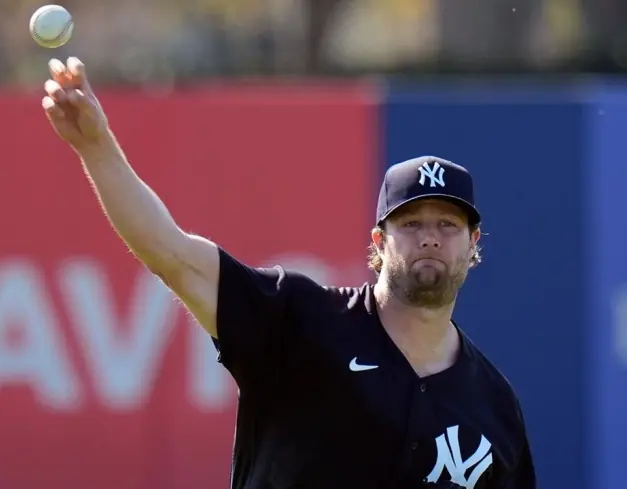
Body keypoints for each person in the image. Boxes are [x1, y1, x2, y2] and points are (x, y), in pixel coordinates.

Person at [41, 57, 537, 489]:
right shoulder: (300, 319)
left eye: (448, 225)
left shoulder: (493, 406)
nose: (430, 237)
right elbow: (172, 254)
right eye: (410, 223)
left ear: (473, 245)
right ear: (379, 243)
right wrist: (97, 148)